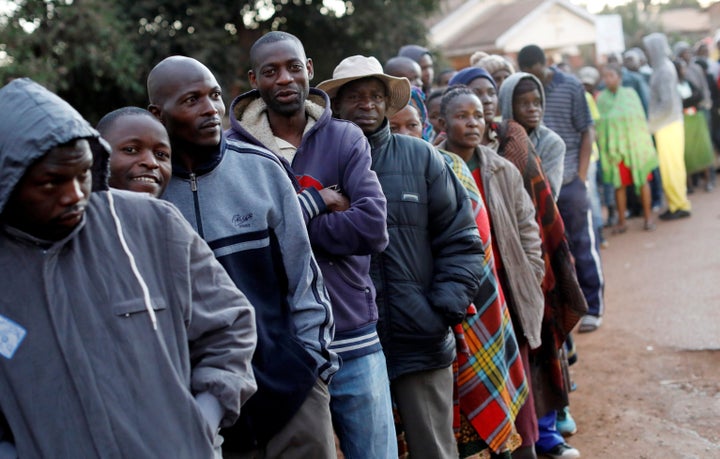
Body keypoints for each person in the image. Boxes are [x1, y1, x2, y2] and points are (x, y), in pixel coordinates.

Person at [0, 78, 257, 458]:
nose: (74, 195)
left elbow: (230, 325)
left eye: (83, 174)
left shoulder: (151, 224)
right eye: (51, 182)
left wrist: (199, 422)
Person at [147, 56, 339, 458]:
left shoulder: (262, 169)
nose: (211, 109)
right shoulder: (145, 197)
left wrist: (314, 371)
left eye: (215, 95)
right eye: (192, 99)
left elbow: (304, 277)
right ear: (158, 114)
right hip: (207, 411)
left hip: (293, 394)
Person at [225, 31, 395, 459]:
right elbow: (246, 247)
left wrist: (283, 229)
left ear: (310, 71)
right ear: (254, 79)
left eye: (293, 67)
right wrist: (320, 202)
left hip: (354, 332)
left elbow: (373, 228)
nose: (284, 78)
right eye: (271, 71)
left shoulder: (345, 138)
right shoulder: (233, 154)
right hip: (286, 349)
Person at [318, 55, 486, 459]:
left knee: (434, 450)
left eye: (375, 95)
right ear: (336, 105)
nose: (367, 104)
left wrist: (440, 309)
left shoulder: (422, 157)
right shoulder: (315, 163)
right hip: (350, 346)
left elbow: (462, 237)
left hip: (420, 339)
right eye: (355, 96)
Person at [518, 44, 605, 334]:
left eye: (537, 72)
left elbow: (587, 131)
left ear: (545, 64)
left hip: (569, 183)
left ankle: (593, 307)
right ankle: (566, 314)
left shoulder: (570, 87)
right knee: (554, 252)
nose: (534, 78)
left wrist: (580, 178)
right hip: (540, 190)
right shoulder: (524, 90)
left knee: (582, 244)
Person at [596, 64, 659, 233]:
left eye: (611, 75)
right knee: (619, 185)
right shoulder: (601, 99)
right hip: (616, 151)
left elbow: (639, 120)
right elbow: (599, 124)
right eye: (605, 76)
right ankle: (622, 221)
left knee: (643, 181)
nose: (608, 79)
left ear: (619, 78)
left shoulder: (631, 95)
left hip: (636, 148)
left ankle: (648, 217)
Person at [643, 33, 692, 221]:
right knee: (673, 167)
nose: (647, 54)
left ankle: (679, 205)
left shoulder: (663, 70)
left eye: (649, 49)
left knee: (671, 168)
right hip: (670, 123)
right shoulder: (664, 68)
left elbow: (666, 104)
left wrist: (651, 124)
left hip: (667, 125)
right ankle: (677, 203)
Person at [498, 72, 565, 199]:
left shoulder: (551, 143)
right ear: (508, 106)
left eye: (537, 102)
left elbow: (549, 195)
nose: (533, 109)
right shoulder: (495, 138)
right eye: (524, 103)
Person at [97, 106, 172, 198]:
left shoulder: (171, 212)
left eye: (160, 154)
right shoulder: (80, 211)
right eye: (130, 150)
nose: (151, 163)